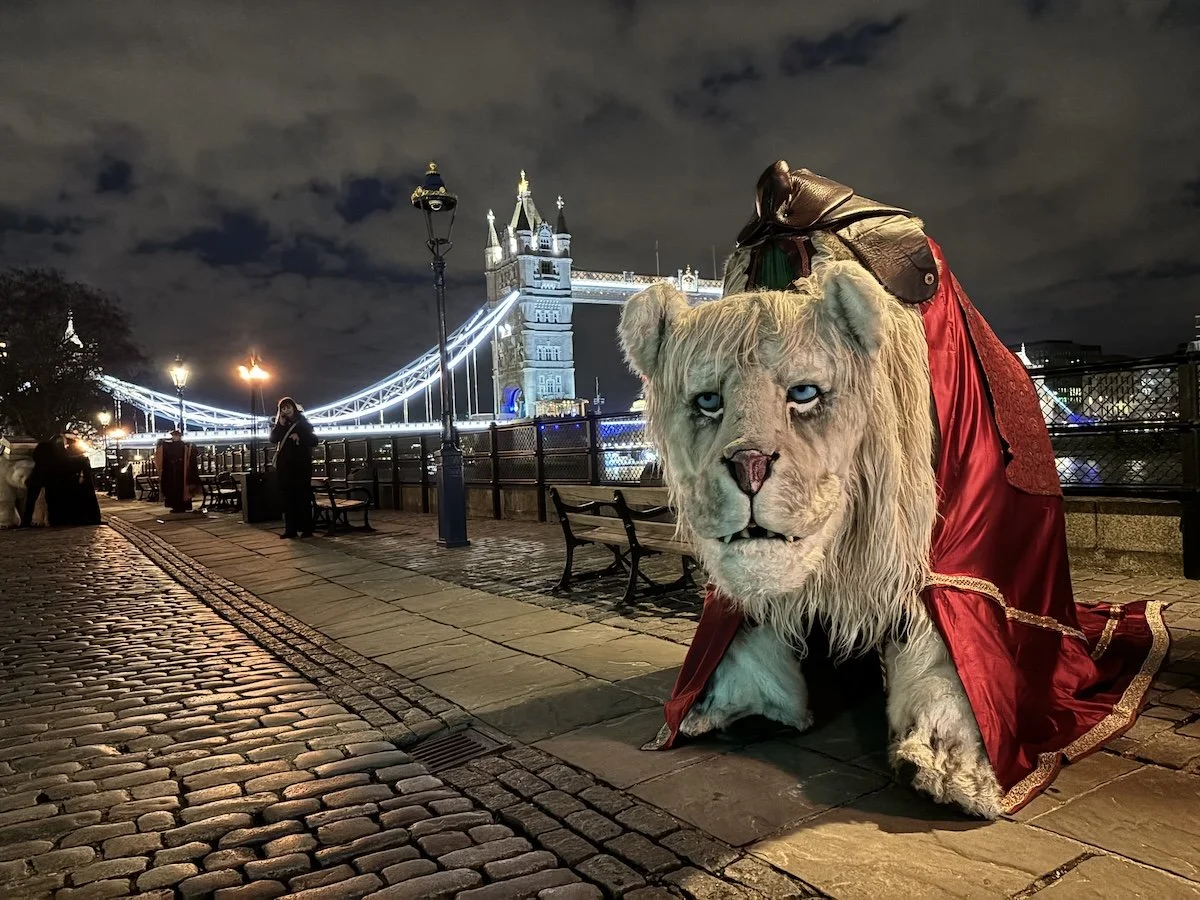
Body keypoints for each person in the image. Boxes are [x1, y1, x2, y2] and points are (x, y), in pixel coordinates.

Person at [269, 396, 317, 538]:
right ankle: (290, 530)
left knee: (303, 498)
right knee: (287, 499)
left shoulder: (303, 423)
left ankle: (306, 529)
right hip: (285, 469)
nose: (286, 410)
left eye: (288, 407)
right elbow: (272, 439)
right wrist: (280, 425)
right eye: (283, 408)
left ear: (294, 408)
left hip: (301, 467)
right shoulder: (281, 424)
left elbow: (314, 441)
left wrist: (300, 437)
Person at [154, 429, 202, 513]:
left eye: (176, 436)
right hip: (172, 472)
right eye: (174, 436)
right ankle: (175, 507)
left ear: (180, 437)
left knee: (181, 489)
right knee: (173, 490)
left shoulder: (184, 446)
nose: (175, 437)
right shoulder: (169, 446)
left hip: (181, 472)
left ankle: (182, 506)